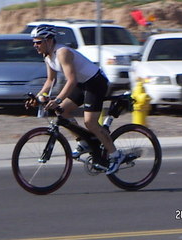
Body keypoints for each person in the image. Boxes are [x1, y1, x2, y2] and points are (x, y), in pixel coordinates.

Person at [26, 24, 125, 175]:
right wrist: (38, 97)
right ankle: (85, 142)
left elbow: (70, 81)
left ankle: (116, 155)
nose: (35, 45)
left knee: (90, 122)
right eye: (34, 42)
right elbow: (50, 81)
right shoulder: (47, 56)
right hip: (82, 83)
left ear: (49, 40)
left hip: (95, 82)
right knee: (62, 112)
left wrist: (58, 99)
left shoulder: (62, 52)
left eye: (38, 42)